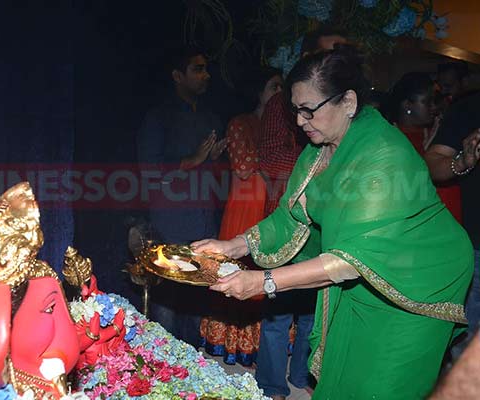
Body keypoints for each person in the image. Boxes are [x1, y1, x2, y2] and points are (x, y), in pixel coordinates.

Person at [193, 46, 473, 399]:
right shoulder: (319, 149)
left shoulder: (384, 154)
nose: (300, 122)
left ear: (349, 102)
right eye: (296, 111)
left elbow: (350, 261)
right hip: (364, 273)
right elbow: (290, 216)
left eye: (308, 110)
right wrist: (232, 245)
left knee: (380, 385)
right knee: (343, 369)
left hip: (419, 282)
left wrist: (263, 282)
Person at [254, 27, 347, 400]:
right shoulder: (285, 107)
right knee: (278, 313)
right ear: (307, 57)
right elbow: (269, 158)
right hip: (287, 221)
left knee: (313, 310)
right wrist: (310, 169)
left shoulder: (353, 126)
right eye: (328, 51)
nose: (300, 121)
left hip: (323, 232)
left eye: (340, 51)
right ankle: (272, 385)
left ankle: (301, 375)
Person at [136, 46, 226, 347]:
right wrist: (192, 160)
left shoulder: (210, 117)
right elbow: (148, 171)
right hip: (171, 225)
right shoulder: (158, 117)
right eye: (197, 69)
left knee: (198, 302)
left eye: (206, 68)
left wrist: (214, 159)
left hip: (203, 222)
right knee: (168, 304)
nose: (206, 75)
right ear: (177, 75)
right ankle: (166, 366)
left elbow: (212, 175)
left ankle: (194, 364)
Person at [200, 68, 282, 366]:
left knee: (267, 270)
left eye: (282, 87)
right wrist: (278, 160)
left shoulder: (286, 129)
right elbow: (245, 167)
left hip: (271, 208)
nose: (279, 93)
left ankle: (259, 349)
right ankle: (230, 345)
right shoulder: (241, 123)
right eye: (273, 86)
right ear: (259, 92)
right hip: (245, 207)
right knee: (237, 268)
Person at [425, 92, 480, 359]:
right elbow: (433, 163)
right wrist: (463, 161)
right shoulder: (470, 108)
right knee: (466, 347)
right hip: (476, 249)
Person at [387, 72, 462, 222]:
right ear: (407, 105)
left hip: (447, 218)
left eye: (434, 101)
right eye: (427, 102)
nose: (433, 107)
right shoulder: (390, 137)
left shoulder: (440, 134)